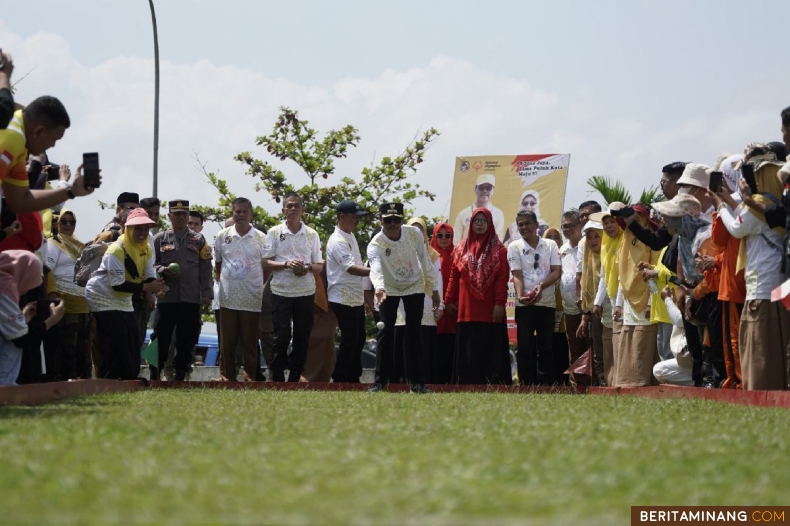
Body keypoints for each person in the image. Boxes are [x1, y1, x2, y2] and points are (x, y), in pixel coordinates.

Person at [713, 155, 790, 390]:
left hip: (762, 287)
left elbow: (737, 228)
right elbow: (747, 219)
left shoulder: (760, 204)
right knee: (774, 345)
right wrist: (728, 199)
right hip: (774, 284)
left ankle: (761, 392)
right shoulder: (772, 205)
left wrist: (720, 207)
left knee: (760, 348)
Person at [85, 208, 166, 380]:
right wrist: (146, 288)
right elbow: (118, 285)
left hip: (123, 297)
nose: (142, 232)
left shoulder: (146, 248)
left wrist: (155, 287)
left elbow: (148, 274)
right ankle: (107, 378)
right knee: (115, 336)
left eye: (145, 228)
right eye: (138, 228)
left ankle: (129, 376)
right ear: (128, 229)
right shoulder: (117, 249)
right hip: (101, 294)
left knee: (133, 336)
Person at [367, 202, 440, 393]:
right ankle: (380, 382)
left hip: (413, 285)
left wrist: (435, 289)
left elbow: (425, 260)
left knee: (415, 333)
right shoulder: (375, 243)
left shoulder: (413, 234)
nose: (392, 224)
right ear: (381, 220)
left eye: (396, 220)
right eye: (388, 220)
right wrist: (380, 288)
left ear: (401, 220)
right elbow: (374, 268)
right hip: (388, 288)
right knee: (385, 333)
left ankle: (417, 383)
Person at [0, 96, 98, 215]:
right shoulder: (12, 139)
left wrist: (72, 190)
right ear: (39, 131)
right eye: (54, 139)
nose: (52, 145)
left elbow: (19, 201)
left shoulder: (20, 143)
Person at [444, 207, 510, 384]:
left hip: (490, 309)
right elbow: (453, 276)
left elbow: (502, 279)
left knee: (490, 346)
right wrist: (449, 299)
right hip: (466, 310)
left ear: (490, 224)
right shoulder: (460, 249)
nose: (479, 224)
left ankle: (493, 382)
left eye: (483, 221)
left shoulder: (500, 250)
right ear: (471, 224)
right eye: (476, 221)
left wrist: (499, 303)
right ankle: (466, 382)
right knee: (468, 346)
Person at [262, 193, 323, 382]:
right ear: (283, 210)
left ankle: (295, 375)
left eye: (297, 206)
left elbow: (319, 266)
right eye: (289, 206)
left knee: (302, 336)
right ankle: (278, 375)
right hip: (280, 290)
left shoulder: (312, 234)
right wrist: (287, 265)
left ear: (302, 210)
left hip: (305, 292)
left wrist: (307, 268)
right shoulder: (274, 232)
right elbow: (265, 262)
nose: (293, 209)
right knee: (280, 335)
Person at [152, 200, 214, 381]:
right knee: (159, 338)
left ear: (188, 216)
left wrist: (207, 293)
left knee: (187, 338)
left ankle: (181, 375)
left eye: (184, 214)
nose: (180, 217)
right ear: (169, 216)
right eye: (176, 214)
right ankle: (155, 373)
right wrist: (162, 270)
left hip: (191, 298)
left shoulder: (199, 240)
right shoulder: (159, 239)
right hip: (166, 298)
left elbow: (206, 268)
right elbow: (150, 265)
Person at [215, 198, 267, 382]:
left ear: (251, 214)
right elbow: (218, 265)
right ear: (232, 213)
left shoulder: (261, 238)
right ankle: (227, 377)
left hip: (252, 298)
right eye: (237, 211)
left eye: (245, 211)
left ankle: (250, 377)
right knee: (227, 342)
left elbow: (266, 268)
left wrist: (257, 285)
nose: (241, 215)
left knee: (250, 343)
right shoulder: (222, 236)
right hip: (228, 298)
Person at [508, 210, 561, 385]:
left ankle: (545, 383)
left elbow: (556, 272)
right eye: (520, 224)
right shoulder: (514, 246)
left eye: (527, 223)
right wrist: (521, 295)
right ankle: (526, 383)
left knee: (545, 347)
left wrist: (541, 286)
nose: (524, 227)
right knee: (524, 347)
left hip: (547, 303)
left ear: (537, 225)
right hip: (524, 305)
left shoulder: (550, 245)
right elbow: (517, 274)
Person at [613, 204, 660, 387]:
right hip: (628, 301)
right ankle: (627, 382)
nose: (633, 223)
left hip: (647, 295)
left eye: (637, 218)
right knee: (629, 340)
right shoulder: (626, 239)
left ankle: (643, 383)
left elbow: (655, 269)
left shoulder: (652, 240)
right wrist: (618, 304)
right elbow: (622, 276)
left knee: (643, 341)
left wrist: (650, 302)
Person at [0, 250, 64, 385]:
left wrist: (22, 318)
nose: (28, 290)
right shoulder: (6, 287)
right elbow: (21, 340)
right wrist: (52, 320)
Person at [393, 217, 443, 383]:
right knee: (405, 343)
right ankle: (403, 380)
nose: (416, 233)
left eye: (420, 229)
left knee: (424, 345)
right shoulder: (399, 251)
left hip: (427, 304)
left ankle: (424, 381)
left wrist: (440, 305)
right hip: (403, 304)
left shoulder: (433, 255)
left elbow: (438, 280)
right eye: (412, 229)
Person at [326, 201, 370, 383]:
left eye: (358, 218)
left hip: (355, 296)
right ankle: (341, 378)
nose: (357, 222)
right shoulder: (337, 240)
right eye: (354, 217)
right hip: (342, 297)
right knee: (350, 339)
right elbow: (351, 268)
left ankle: (353, 376)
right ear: (342, 216)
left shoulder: (349, 236)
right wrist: (378, 271)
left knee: (359, 338)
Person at [45, 209, 91, 379]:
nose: (68, 225)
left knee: (83, 345)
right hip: (63, 300)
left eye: (72, 222)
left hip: (82, 302)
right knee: (66, 345)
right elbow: (47, 270)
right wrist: (51, 294)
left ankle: (82, 381)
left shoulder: (79, 245)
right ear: (57, 223)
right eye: (64, 221)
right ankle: (65, 380)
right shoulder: (53, 243)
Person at [590, 203, 626, 386]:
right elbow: (605, 276)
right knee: (609, 345)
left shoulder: (625, 240)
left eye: (613, 221)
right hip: (610, 302)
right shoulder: (606, 244)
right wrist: (597, 302)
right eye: (606, 223)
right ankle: (611, 383)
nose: (609, 226)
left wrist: (619, 304)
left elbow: (623, 277)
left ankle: (623, 381)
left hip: (625, 301)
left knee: (622, 344)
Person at [578, 220, 608, 385]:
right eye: (589, 237)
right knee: (598, 347)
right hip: (594, 311)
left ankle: (614, 380)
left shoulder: (609, 254)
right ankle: (603, 381)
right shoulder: (588, 258)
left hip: (611, 308)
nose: (593, 240)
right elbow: (586, 285)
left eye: (597, 236)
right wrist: (585, 314)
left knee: (611, 346)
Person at [429, 221, 457, 384]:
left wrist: (454, 302)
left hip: (452, 310)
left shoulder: (457, 255)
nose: (444, 238)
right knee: (434, 344)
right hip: (434, 308)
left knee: (450, 344)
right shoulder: (430, 256)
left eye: (448, 236)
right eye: (440, 235)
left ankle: (449, 381)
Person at [652, 286, 694, 386]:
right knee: (658, 370)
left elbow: (680, 320)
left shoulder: (697, 293)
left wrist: (667, 300)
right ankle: (697, 381)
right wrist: (675, 303)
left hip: (700, 360)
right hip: (691, 362)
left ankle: (702, 381)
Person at [543, 227, 570, 383]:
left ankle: (564, 380)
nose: (553, 240)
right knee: (547, 344)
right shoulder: (541, 258)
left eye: (556, 237)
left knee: (562, 345)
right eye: (549, 237)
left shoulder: (566, 256)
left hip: (565, 308)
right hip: (546, 307)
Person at [453, 174, 506, 243]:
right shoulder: (463, 214)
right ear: (475, 189)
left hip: (489, 253)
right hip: (465, 253)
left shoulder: (498, 214)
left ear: (492, 190)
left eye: (488, 188)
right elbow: (456, 242)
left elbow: (498, 241)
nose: (485, 191)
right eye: (481, 187)